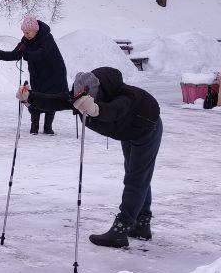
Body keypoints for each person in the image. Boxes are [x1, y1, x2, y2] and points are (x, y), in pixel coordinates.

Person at [19, 67, 162, 248]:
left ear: (99, 93)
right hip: (128, 132)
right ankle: (141, 225)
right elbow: (57, 101)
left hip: (146, 128)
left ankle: (121, 230)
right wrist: (30, 97)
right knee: (137, 174)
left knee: (137, 178)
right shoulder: (81, 94)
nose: (80, 102)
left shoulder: (125, 97)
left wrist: (96, 109)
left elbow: (114, 111)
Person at [0, 14, 68, 135]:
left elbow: (40, 54)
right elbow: (15, 54)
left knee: (52, 98)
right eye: (24, 32)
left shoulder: (47, 38)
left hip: (54, 73)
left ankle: (48, 127)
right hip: (38, 74)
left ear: (35, 30)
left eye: (28, 32)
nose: (26, 35)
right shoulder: (25, 40)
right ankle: (34, 127)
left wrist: (25, 53)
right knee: (36, 98)